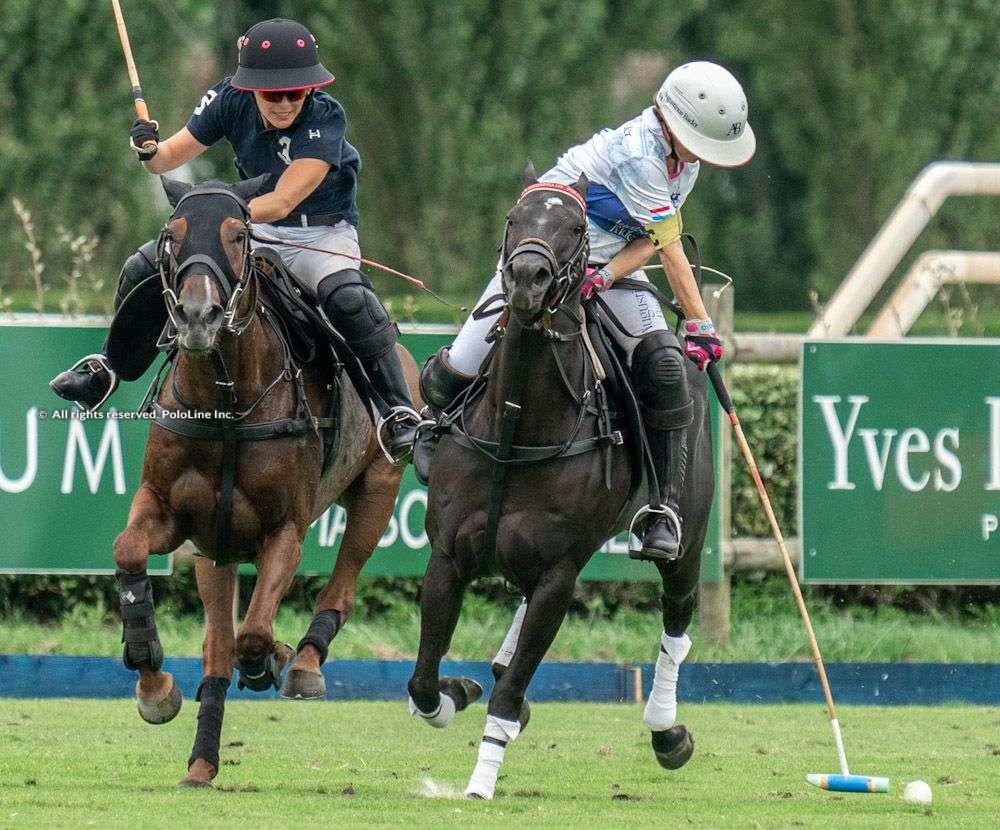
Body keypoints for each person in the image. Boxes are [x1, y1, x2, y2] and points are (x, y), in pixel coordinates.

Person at [419, 61, 755, 559]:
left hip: (608, 264)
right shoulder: (639, 154)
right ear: (671, 122)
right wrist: (701, 323)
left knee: (664, 364)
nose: (704, 154)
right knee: (466, 357)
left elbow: (652, 239)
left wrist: (605, 277)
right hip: (544, 257)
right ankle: (429, 421)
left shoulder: (686, 162)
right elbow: (670, 249)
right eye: (699, 141)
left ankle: (662, 509)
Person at [50, 18, 420, 461]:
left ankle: (398, 412)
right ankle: (108, 369)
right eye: (272, 94)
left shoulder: (326, 117)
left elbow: (283, 201)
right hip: (250, 231)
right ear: (251, 89)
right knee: (144, 266)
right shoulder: (227, 99)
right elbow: (169, 157)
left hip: (320, 234)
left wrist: (222, 213)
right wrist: (149, 150)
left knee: (347, 300)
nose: (284, 103)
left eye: (295, 92)